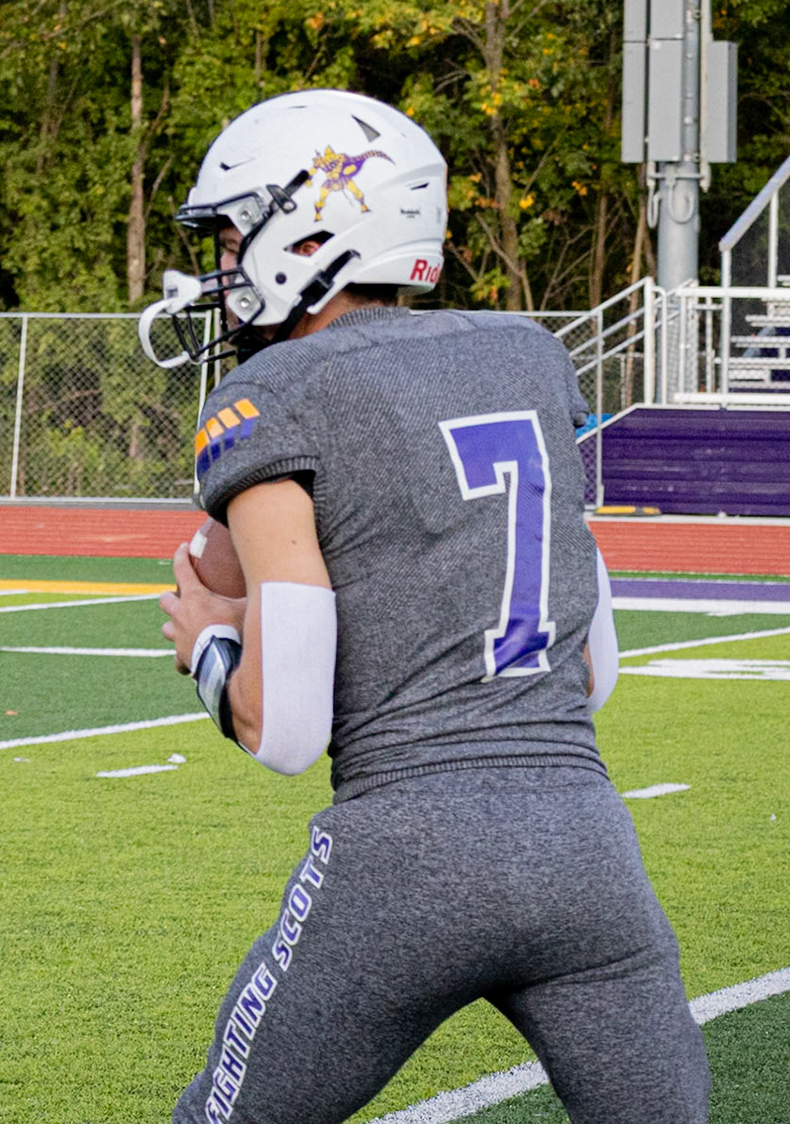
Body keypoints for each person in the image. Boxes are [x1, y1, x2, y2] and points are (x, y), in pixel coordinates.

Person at [139, 89, 707, 1124]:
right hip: (588, 852)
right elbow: (591, 670)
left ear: (308, 233)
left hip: (401, 860)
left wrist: (213, 644)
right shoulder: (528, 355)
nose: (219, 269)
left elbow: (287, 729)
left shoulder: (273, 395)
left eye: (229, 238)